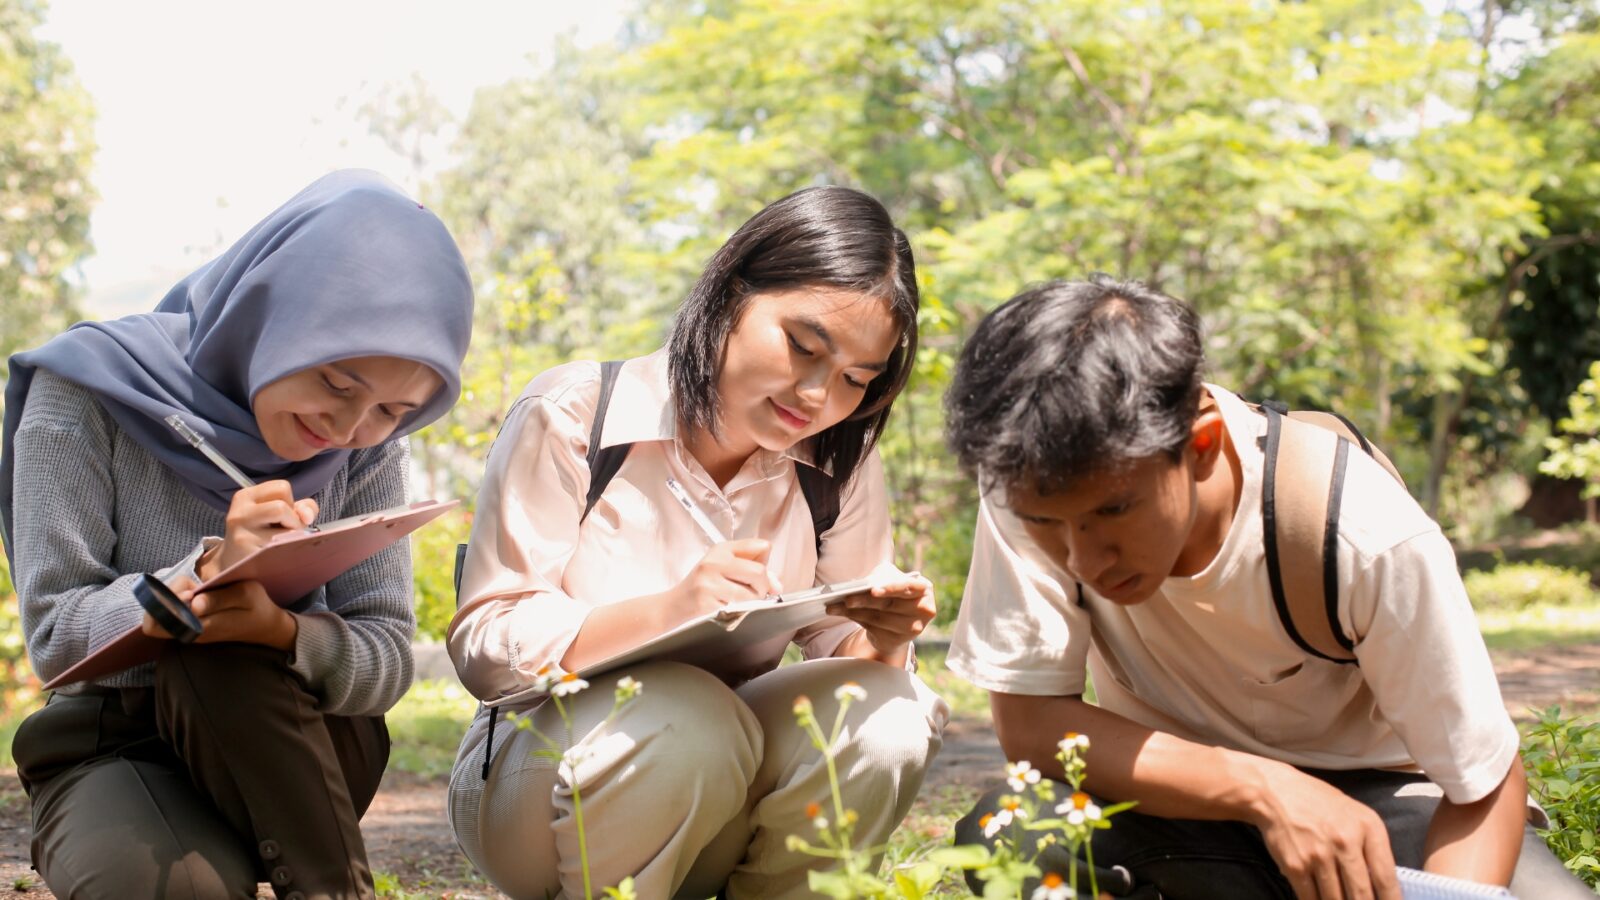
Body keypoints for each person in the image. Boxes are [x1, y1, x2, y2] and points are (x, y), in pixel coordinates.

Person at [941, 276, 1588, 898]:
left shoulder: (1359, 529)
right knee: (1015, 831)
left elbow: (1483, 784)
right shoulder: (1028, 477)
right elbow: (1030, 725)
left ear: (1201, 444)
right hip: (1177, 806)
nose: (1083, 559)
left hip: (1385, 817)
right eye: (1047, 526)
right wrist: (1263, 790)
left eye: (1113, 512)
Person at [447, 185, 948, 899]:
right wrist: (671, 610)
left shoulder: (839, 462)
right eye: (803, 346)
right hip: (541, 792)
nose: (816, 396)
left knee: (887, 713)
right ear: (728, 292)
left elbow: (846, 665)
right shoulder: (573, 415)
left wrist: (885, 638)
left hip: (724, 795)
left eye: (854, 380)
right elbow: (487, 648)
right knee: (687, 714)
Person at [2, 170, 474, 900]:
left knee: (230, 646)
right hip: (112, 748)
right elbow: (58, 639)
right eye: (338, 384)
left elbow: (387, 659)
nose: (349, 429)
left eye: (391, 410)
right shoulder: (88, 391)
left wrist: (284, 632)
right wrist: (202, 573)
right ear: (269, 316)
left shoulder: (369, 448)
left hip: (297, 739)